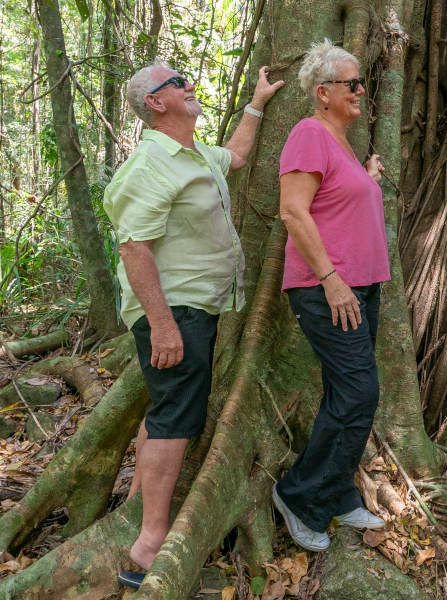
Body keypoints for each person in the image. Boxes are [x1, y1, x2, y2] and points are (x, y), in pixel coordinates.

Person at [103, 61, 283, 589]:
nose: (188, 85)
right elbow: (134, 247)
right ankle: (151, 543)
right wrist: (161, 324)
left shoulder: (195, 155)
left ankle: (139, 507)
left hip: (194, 307)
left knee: (167, 406)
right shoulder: (149, 164)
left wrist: (257, 102)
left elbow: (241, 155)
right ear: (156, 103)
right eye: (176, 82)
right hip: (173, 307)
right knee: (178, 414)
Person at [272, 39, 390, 552]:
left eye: (361, 82)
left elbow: (336, 206)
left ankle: (338, 490)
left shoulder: (340, 142)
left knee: (348, 392)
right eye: (353, 83)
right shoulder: (308, 134)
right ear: (323, 92)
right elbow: (294, 212)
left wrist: (367, 180)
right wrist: (331, 279)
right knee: (359, 393)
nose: (362, 90)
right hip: (329, 290)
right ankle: (300, 497)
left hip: (361, 286)